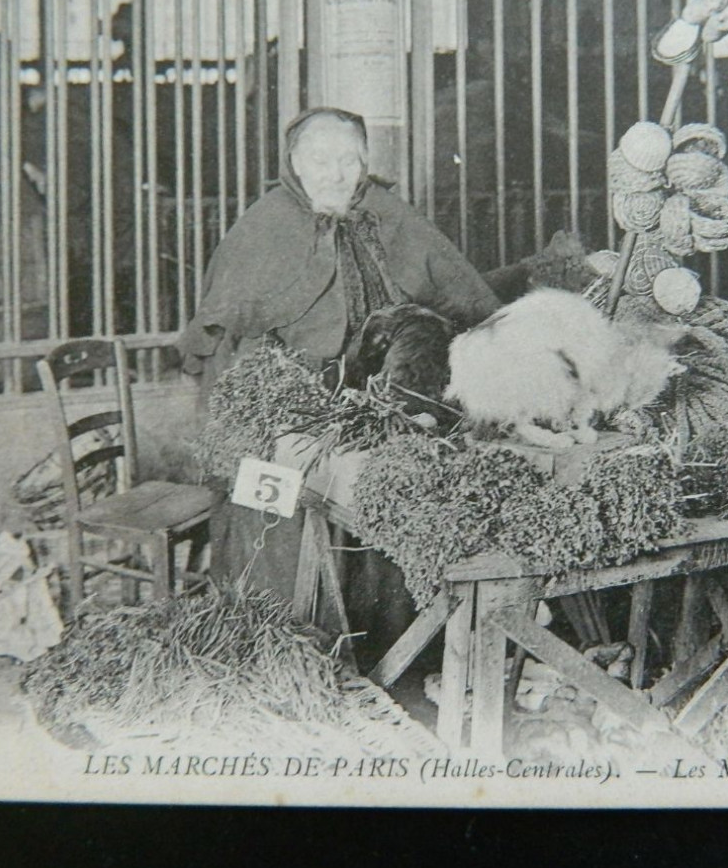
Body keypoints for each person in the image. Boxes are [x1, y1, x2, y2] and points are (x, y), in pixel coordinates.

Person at [178, 107, 499, 661]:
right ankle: (286, 643)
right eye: (320, 161)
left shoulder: (387, 213)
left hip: (377, 405)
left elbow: (459, 292)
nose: (334, 174)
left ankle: (389, 648)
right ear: (295, 164)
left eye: (348, 160)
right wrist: (285, 408)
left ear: (365, 163)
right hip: (284, 411)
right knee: (280, 510)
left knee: (396, 488)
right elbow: (227, 348)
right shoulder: (265, 226)